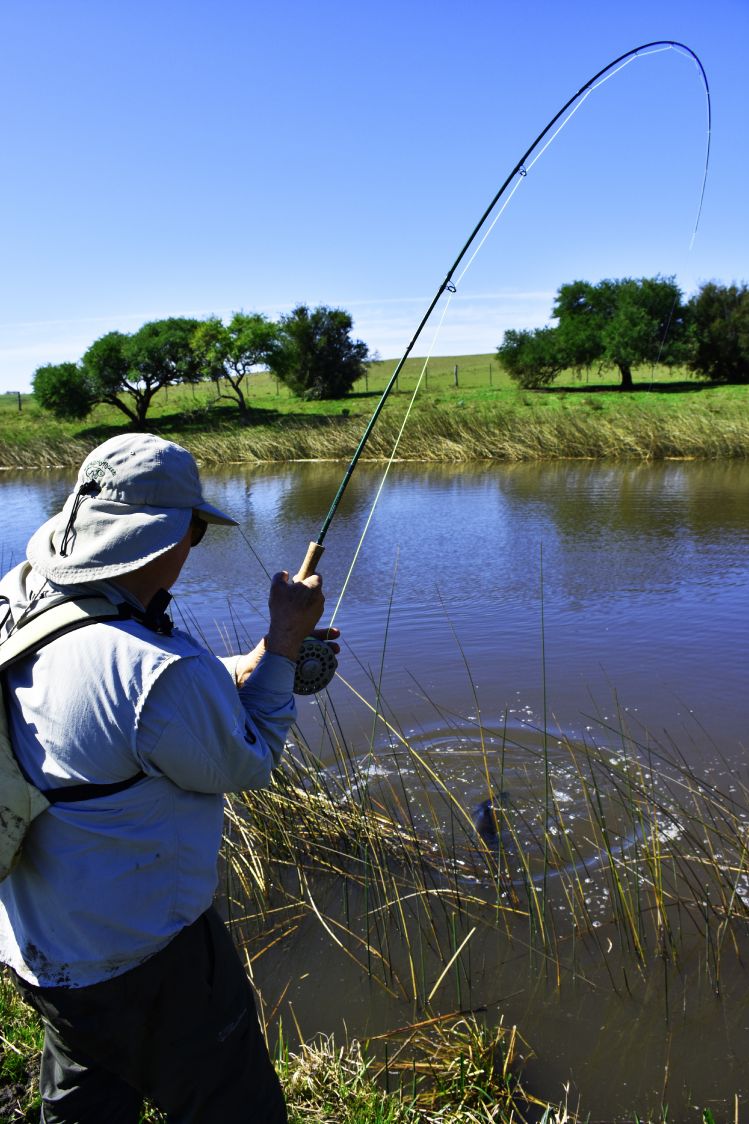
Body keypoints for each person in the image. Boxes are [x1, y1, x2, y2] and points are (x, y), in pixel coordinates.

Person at [0, 432, 338, 1123]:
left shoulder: (21, 593)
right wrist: (280, 647)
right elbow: (251, 760)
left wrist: (239, 669)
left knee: (86, 1096)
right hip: (148, 958)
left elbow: (118, 702)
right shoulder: (158, 674)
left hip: (41, 949)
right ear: (174, 536)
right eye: (196, 532)